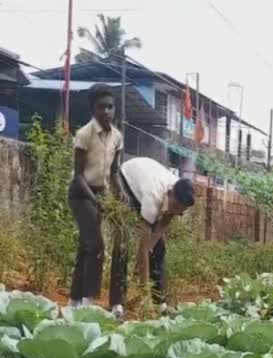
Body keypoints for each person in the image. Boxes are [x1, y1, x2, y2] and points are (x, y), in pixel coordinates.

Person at [110, 157, 196, 316]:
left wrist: (147, 252)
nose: (176, 212)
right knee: (123, 242)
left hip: (148, 177)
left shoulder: (179, 194)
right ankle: (117, 304)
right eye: (175, 206)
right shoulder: (154, 196)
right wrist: (144, 295)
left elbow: (161, 227)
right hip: (127, 180)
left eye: (180, 211)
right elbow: (143, 246)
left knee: (159, 248)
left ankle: (160, 302)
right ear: (170, 194)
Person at [69, 84, 125, 308]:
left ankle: (74, 302)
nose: (107, 112)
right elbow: (78, 176)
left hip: (100, 195)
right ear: (93, 108)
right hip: (81, 194)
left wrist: (120, 193)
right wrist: (95, 201)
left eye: (110, 107)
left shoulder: (117, 137)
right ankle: (88, 301)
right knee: (97, 246)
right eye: (102, 107)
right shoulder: (84, 134)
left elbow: (114, 173)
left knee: (86, 247)